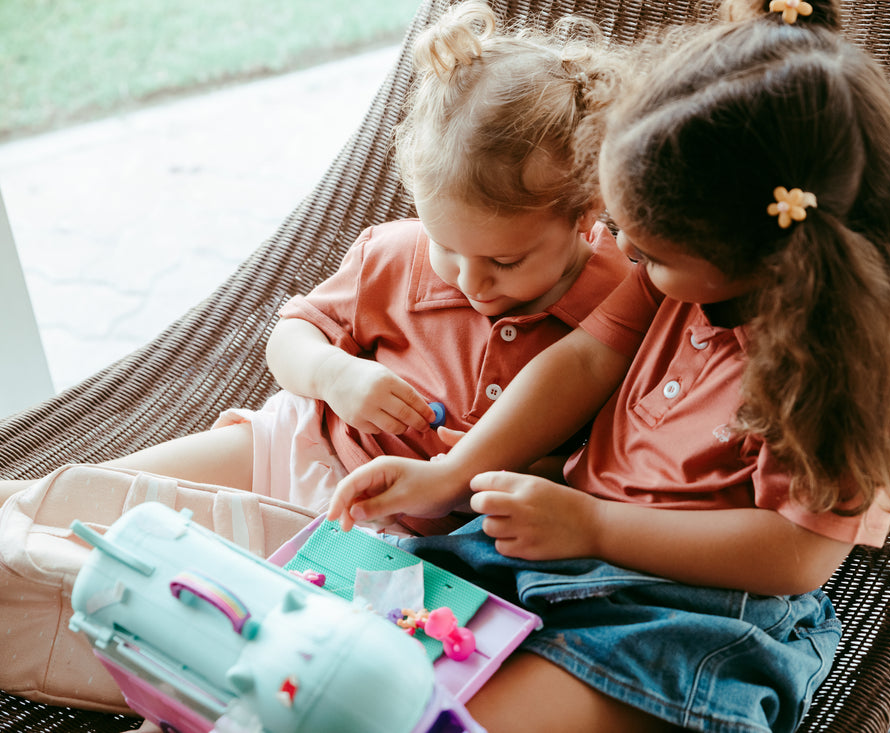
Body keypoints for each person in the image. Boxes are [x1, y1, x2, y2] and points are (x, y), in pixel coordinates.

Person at [325, 1, 890, 731]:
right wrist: (451, 473)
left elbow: (798, 556)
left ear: (761, 253)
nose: (625, 256)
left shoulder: (866, 364)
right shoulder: (689, 262)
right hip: (560, 557)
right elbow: (583, 360)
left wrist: (595, 526)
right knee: (350, 663)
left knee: (434, 717)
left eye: (648, 255)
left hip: (700, 615)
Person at [0, 0, 630, 519]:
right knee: (68, 501)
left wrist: (540, 469)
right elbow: (289, 337)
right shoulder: (396, 254)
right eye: (448, 248)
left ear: (586, 211)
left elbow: (614, 447)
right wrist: (339, 379)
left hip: (407, 542)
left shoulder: (622, 303)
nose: (470, 280)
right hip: (297, 448)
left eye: (505, 260)